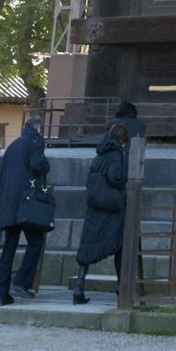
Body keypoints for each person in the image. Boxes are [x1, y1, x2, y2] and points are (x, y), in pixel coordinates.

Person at [0, 116, 51, 305]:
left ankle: (1, 293)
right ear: (38, 128)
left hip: (9, 202)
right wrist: (46, 165)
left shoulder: (13, 145)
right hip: (27, 203)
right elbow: (37, 164)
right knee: (35, 240)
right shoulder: (36, 140)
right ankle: (21, 282)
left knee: (9, 246)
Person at [72, 119, 130, 304]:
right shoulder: (116, 154)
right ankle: (122, 289)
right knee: (119, 245)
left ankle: (78, 288)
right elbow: (115, 176)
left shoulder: (100, 154)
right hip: (111, 209)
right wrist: (125, 181)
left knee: (88, 246)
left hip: (95, 206)